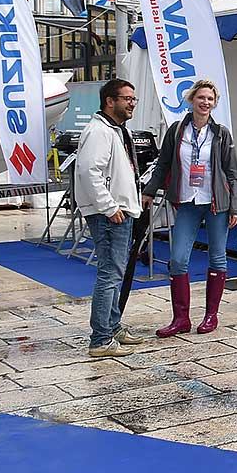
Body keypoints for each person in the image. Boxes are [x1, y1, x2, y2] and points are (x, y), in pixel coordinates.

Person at [142, 80, 237, 337]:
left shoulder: (221, 133)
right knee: (177, 259)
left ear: (214, 103)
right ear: (192, 99)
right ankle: (181, 318)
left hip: (216, 202)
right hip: (187, 200)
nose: (205, 102)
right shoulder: (177, 130)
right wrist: (149, 190)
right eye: (201, 97)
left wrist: (235, 208)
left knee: (217, 257)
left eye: (210, 99)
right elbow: (163, 164)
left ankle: (211, 316)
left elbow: (233, 173)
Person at [75, 79, 145, 357]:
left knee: (115, 273)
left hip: (120, 210)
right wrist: (109, 207)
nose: (132, 103)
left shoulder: (114, 130)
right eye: (127, 98)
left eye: (133, 99)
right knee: (109, 274)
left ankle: (112, 326)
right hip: (110, 214)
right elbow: (88, 171)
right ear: (109, 101)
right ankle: (101, 339)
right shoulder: (99, 132)